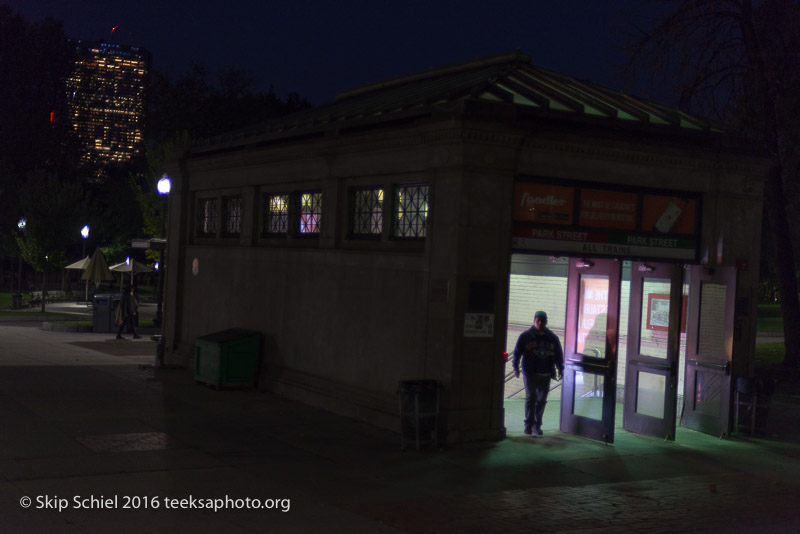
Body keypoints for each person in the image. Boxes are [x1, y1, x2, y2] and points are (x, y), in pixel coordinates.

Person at [512, 310, 564, 436]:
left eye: (543, 320)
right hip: (530, 372)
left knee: (541, 400)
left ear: (546, 322)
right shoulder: (525, 336)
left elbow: (558, 354)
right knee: (531, 398)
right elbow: (517, 352)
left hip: (546, 373)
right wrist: (515, 367)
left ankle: (537, 425)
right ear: (534, 321)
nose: (540, 323)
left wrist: (560, 368)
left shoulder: (552, 337)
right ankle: (529, 425)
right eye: (538, 320)